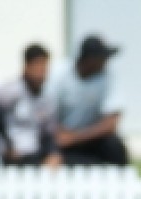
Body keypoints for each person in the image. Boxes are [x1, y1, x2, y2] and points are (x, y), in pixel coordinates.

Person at [48, 34, 128, 166]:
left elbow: (111, 123)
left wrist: (74, 137)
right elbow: (44, 111)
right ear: (90, 60)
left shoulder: (107, 77)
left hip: (90, 138)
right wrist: (59, 134)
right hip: (57, 138)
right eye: (102, 58)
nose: (106, 62)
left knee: (114, 146)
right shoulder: (59, 74)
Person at [0, 44, 60, 166]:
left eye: (44, 67)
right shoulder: (9, 91)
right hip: (7, 158)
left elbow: (48, 131)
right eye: (37, 66)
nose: (41, 72)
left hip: (35, 157)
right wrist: (5, 148)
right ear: (27, 66)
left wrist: (52, 153)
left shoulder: (48, 96)